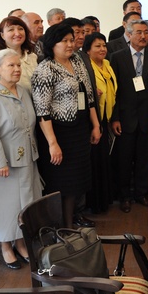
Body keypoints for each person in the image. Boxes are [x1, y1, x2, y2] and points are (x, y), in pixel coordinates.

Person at [31, 23, 101, 228]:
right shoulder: (45, 69)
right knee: (62, 183)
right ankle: (62, 228)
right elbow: (42, 111)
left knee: (76, 182)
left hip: (79, 129)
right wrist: (52, 143)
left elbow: (88, 96)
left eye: (71, 40)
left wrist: (95, 125)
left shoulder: (77, 61)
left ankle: (70, 224)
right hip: (59, 132)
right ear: (52, 44)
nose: (70, 44)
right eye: (65, 41)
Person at [0, 49, 42, 269]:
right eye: (11, 66)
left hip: (26, 156)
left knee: (25, 202)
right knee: (5, 206)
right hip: (4, 162)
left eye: (18, 65)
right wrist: (0, 162)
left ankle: (20, 242)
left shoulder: (23, 91)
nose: (17, 69)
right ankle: (5, 246)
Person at [110, 20, 148, 212]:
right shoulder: (117, 57)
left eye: (146, 33)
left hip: (147, 118)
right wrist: (115, 118)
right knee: (124, 160)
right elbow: (113, 91)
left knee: (144, 159)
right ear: (129, 34)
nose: (143, 36)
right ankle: (125, 196)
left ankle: (141, 193)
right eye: (139, 32)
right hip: (125, 119)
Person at [84, 32, 117, 214]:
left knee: (104, 160)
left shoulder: (107, 65)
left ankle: (105, 200)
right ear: (88, 50)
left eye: (104, 45)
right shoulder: (85, 67)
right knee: (94, 162)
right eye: (97, 46)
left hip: (105, 117)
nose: (102, 49)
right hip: (92, 119)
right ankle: (93, 203)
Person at [0, 16, 37, 91]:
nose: (17, 33)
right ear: (2, 35)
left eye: (20, 29)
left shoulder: (32, 56)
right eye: (11, 30)